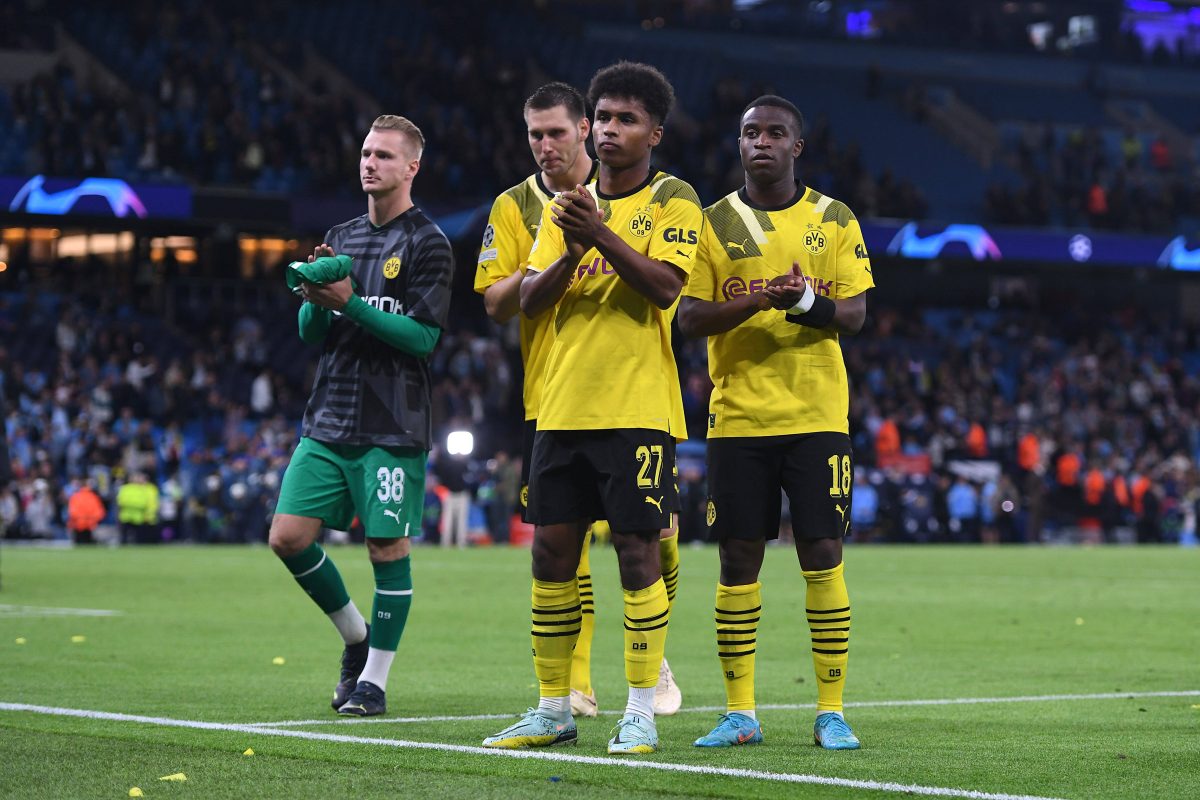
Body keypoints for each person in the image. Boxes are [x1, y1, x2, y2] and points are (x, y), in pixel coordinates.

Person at [482, 62, 700, 755]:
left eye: (626, 119)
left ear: (654, 132)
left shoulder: (673, 198)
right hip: (560, 404)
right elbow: (528, 298)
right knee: (551, 553)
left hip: (636, 405)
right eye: (603, 117)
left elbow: (664, 287)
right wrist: (572, 249)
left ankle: (639, 709)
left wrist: (598, 235)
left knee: (637, 549)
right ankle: (554, 706)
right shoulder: (564, 206)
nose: (609, 129)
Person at [679, 95, 873, 751]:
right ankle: (741, 713)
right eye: (750, 132)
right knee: (738, 557)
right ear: (739, 144)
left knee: (822, 552)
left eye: (775, 132)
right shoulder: (713, 223)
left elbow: (854, 315)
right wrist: (762, 297)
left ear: (797, 146)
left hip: (817, 416)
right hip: (738, 418)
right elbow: (689, 318)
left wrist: (806, 300)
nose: (761, 141)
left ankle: (831, 711)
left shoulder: (833, 217)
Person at [267, 115, 453, 717]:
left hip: (393, 423)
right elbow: (311, 332)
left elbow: (423, 338)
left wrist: (350, 303)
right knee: (287, 537)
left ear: (412, 167)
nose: (370, 163)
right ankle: (356, 637)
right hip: (329, 417)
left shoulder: (428, 242)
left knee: (385, 546)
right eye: (367, 153)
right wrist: (316, 299)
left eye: (384, 156)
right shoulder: (341, 235)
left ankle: (373, 682)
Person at [67, 480, 106, 545]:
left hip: (78, 525)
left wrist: (80, 519)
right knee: (89, 544)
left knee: (78, 545)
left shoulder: (75, 496)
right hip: (90, 525)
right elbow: (99, 512)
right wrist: (92, 520)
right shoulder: (93, 497)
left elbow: (72, 512)